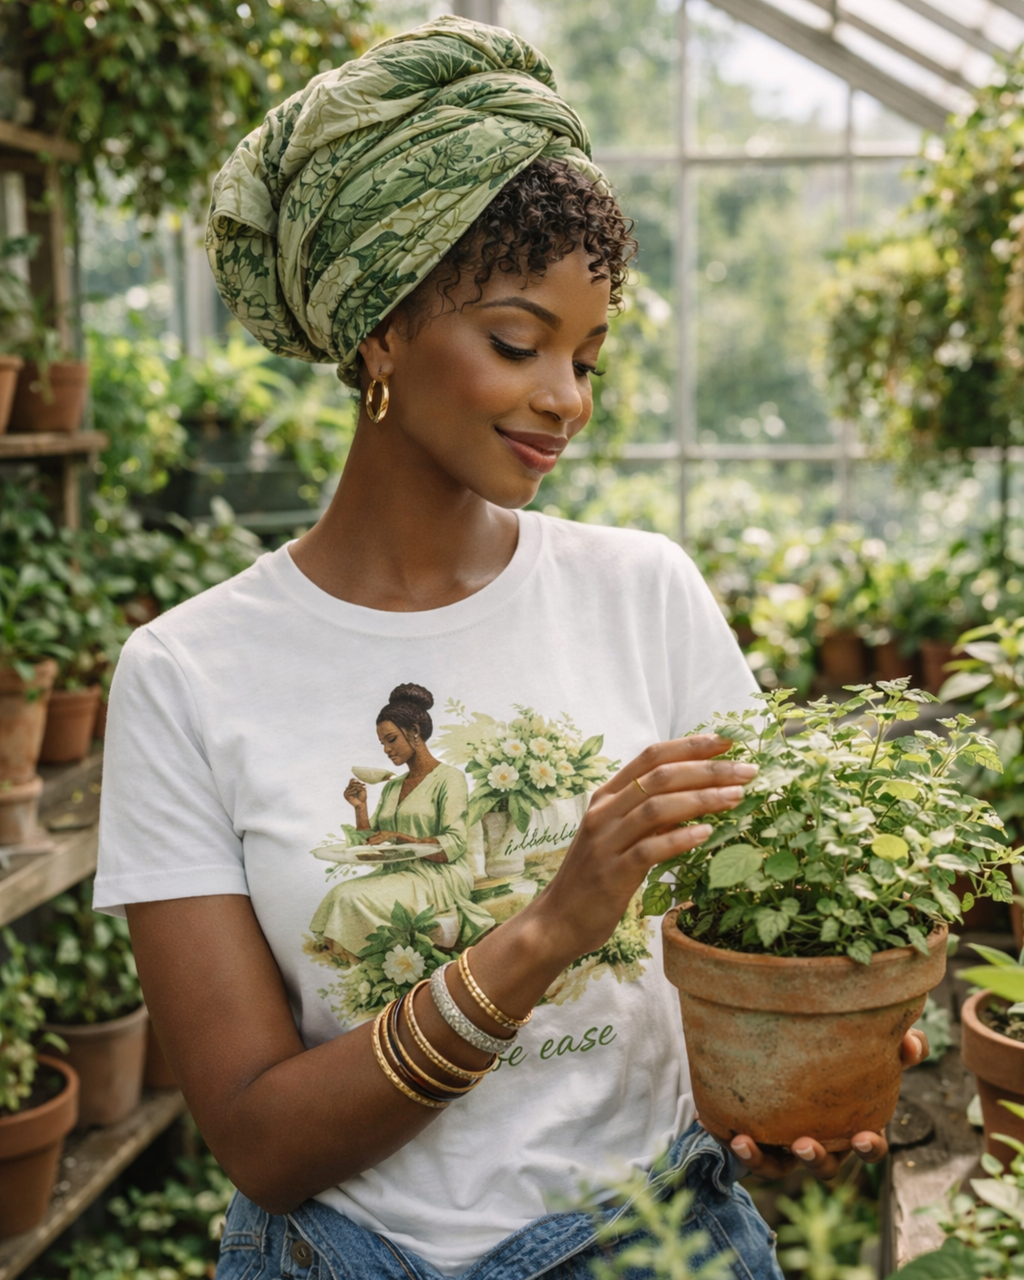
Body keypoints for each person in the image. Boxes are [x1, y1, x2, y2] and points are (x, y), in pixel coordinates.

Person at [95, 17, 927, 1280]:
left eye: (587, 356)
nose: (567, 400)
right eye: (516, 341)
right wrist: (547, 925)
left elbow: (749, 948)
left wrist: (794, 1060)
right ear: (380, 331)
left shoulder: (643, 591)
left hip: (654, 1242)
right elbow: (261, 1137)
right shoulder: (184, 673)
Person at [309, 682, 495, 962]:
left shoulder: (449, 779)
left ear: (414, 733)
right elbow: (372, 843)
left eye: (391, 739)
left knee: (350, 898)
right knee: (339, 893)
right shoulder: (392, 787)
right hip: (398, 873)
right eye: (382, 743)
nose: (386, 749)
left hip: (438, 876)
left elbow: (453, 845)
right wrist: (361, 809)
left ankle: (366, 970)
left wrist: (400, 837)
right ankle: (360, 971)